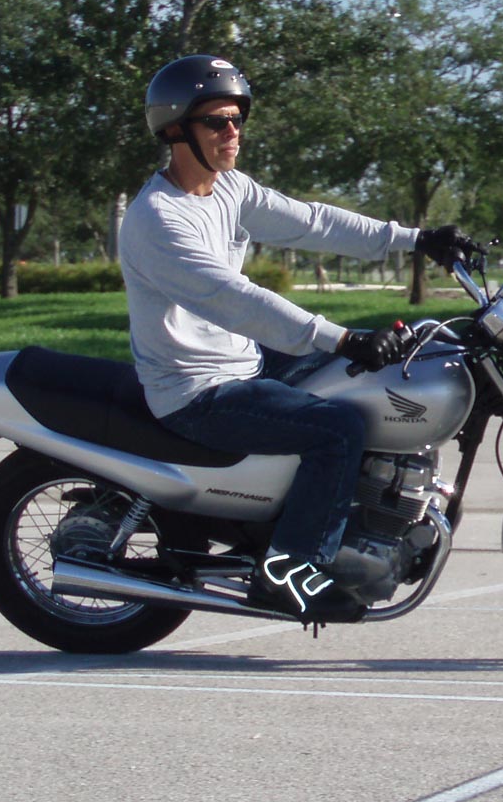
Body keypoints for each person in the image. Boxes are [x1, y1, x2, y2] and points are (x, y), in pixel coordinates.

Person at [119, 54, 471, 621]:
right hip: (195, 390)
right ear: (175, 130)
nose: (232, 132)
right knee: (336, 430)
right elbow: (236, 300)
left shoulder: (228, 188)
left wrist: (416, 239)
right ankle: (289, 572)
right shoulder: (160, 218)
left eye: (237, 119)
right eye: (216, 122)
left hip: (241, 361)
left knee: (372, 378)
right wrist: (340, 338)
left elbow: (311, 221)